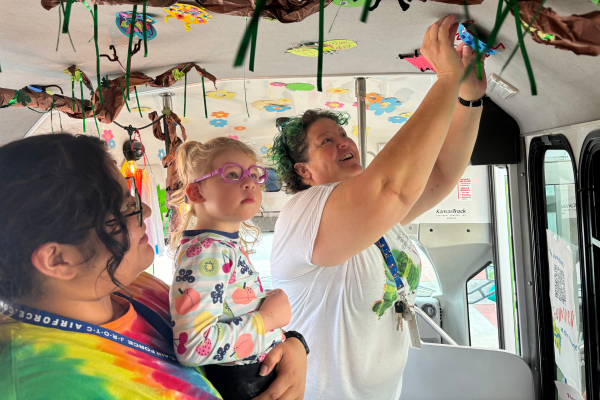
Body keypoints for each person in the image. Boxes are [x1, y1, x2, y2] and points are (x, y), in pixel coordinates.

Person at [268, 15, 487, 400]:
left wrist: (469, 97)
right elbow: (390, 189)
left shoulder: (377, 216)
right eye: (326, 141)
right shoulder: (300, 214)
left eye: (341, 134)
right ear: (303, 170)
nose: (343, 142)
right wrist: (445, 80)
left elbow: (440, 173)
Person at [0, 133, 307, 400]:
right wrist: (267, 320)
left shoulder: (140, 287)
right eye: (124, 208)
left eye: (133, 197)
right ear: (59, 259)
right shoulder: (41, 383)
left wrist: (293, 346)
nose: (146, 209)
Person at [168, 138, 298, 400]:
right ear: (197, 193)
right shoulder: (208, 252)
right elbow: (193, 348)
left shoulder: (220, 247)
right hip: (244, 384)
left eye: (254, 174)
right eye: (232, 174)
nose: (249, 181)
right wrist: (267, 320)